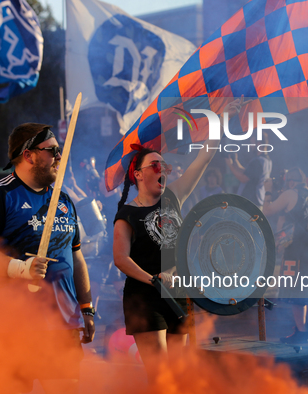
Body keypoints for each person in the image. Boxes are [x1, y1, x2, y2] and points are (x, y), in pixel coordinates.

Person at [112, 98, 242, 385]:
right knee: (161, 377)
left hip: (178, 293)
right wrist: (154, 280)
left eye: (164, 165)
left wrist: (223, 121)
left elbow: (204, 157)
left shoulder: (174, 196)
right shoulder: (128, 213)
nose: (163, 169)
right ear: (138, 174)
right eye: (155, 164)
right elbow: (120, 258)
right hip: (145, 298)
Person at [0, 123, 94, 394]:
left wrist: (86, 307)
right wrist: (20, 268)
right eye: (52, 150)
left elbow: (76, 256)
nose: (59, 156)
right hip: (9, 329)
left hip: (62, 326)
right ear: (28, 155)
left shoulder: (65, 201)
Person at [261, 168, 308, 344]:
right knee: (307, 289)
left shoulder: (291, 193)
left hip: (296, 249)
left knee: (295, 290)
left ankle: (301, 331)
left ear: (290, 181)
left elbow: (268, 210)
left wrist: (268, 190)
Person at [224, 132, 272, 209]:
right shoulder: (266, 160)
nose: (250, 146)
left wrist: (230, 165)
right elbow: (247, 173)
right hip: (256, 201)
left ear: (258, 143)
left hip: (251, 203)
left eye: (252, 143)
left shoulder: (258, 161)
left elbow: (244, 178)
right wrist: (235, 161)